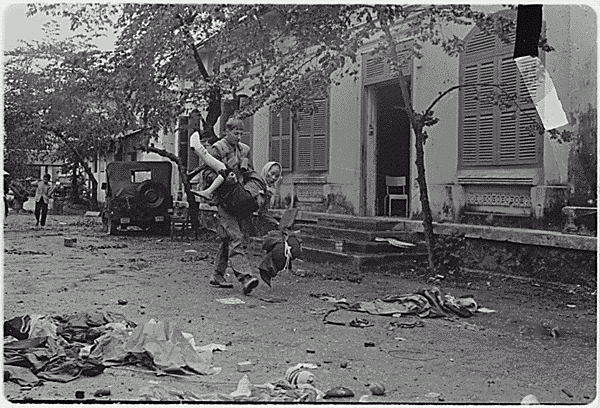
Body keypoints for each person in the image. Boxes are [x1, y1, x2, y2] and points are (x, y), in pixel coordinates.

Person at [191, 117, 261, 294]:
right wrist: (222, 180)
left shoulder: (244, 150)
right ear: (226, 132)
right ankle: (245, 277)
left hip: (240, 200)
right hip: (224, 200)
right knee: (235, 237)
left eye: (241, 133)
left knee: (228, 238)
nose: (238, 136)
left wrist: (252, 190)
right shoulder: (217, 149)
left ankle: (217, 275)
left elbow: (250, 172)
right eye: (235, 133)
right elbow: (206, 174)